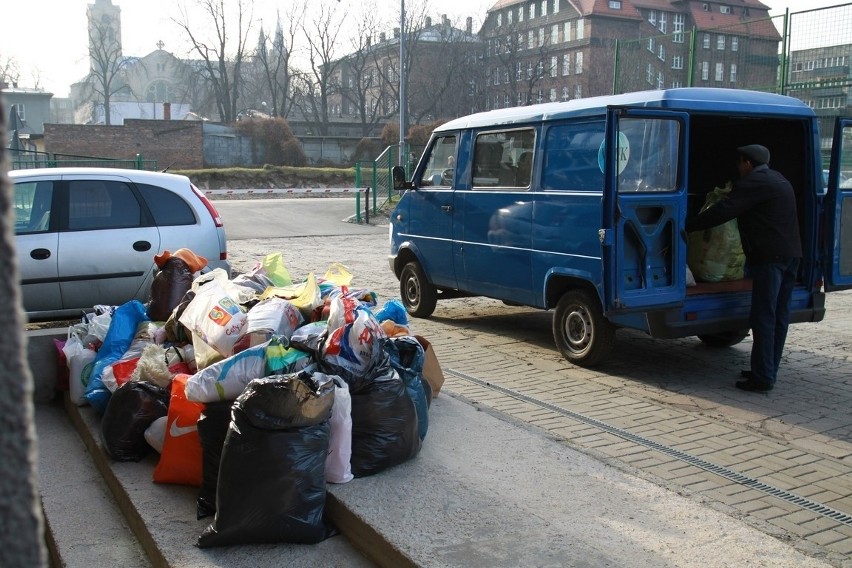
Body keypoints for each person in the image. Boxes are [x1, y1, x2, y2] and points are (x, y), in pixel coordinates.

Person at [685, 144, 802, 392]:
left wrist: (689, 225)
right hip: (791, 256)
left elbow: (725, 211)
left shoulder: (754, 182)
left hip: (770, 259)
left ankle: (762, 379)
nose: (738, 168)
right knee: (779, 316)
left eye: (739, 163)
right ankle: (768, 369)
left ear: (747, 163)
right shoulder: (778, 178)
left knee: (764, 316)